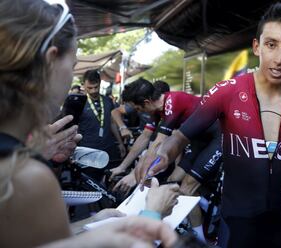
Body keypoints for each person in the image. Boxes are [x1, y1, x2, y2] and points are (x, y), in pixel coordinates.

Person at [136, 2, 281, 247]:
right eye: (271, 45)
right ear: (257, 47)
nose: (279, 58)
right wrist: (160, 155)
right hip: (236, 223)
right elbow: (180, 137)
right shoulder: (227, 92)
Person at [0, 0, 180, 247]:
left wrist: (84, 227)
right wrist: (152, 214)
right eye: (72, 67)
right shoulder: (25, 179)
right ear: (50, 61)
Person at [115, 78, 222, 242]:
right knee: (173, 181)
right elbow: (145, 138)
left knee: (186, 189)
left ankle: (201, 240)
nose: (138, 112)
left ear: (146, 102)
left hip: (218, 137)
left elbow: (158, 144)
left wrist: (136, 175)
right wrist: (123, 167)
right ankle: (208, 209)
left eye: (138, 108)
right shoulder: (156, 110)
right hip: (199, 140)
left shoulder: (173, 101)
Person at [77, 69, 126, 181]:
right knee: (90, 183)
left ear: (100, 83)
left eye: (96, 87)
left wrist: (120, 143)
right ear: (83, 85)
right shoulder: (79, 102)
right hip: (87, 150)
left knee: (111, 180)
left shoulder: (108, 101)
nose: (93, 91)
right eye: (90, 88)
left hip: (108, 149)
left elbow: (112, 123)